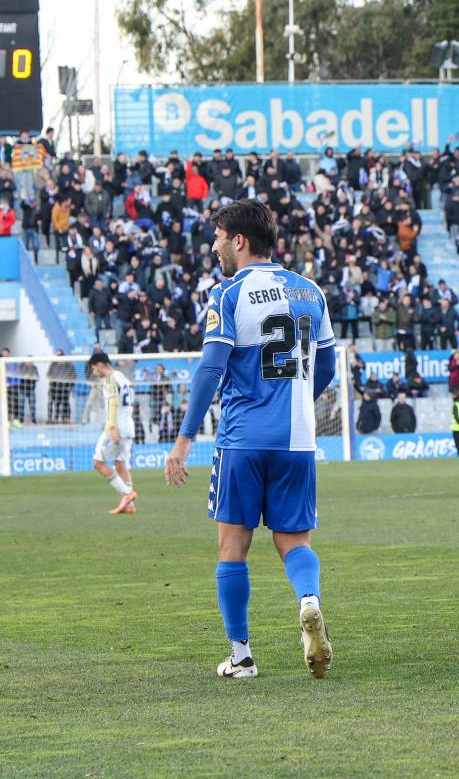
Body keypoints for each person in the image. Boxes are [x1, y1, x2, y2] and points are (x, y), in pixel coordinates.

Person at [164, 198, 338, 680]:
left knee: (232, 545)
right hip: (298, 439)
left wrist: (182, 440)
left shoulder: (228, 293)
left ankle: (241, 656)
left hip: (242, 437)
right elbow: (327, 366)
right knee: (294, 540)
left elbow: (211, 369)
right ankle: (308, 599)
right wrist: (299, 398)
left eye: (219, 237)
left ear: (239, 240)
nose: (215, 245)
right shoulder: (310, 291)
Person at [87, 352, 138, 515]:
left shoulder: (109, 379)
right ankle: (129, 505)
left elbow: (113, 403)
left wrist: (113, 428)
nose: (95, 373)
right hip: (129, 426)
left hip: (116, 427)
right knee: (120, 463)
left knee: (98, 463)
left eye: (95, 369)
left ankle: (128, 494)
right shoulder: (122, 376)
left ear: (102, 365)